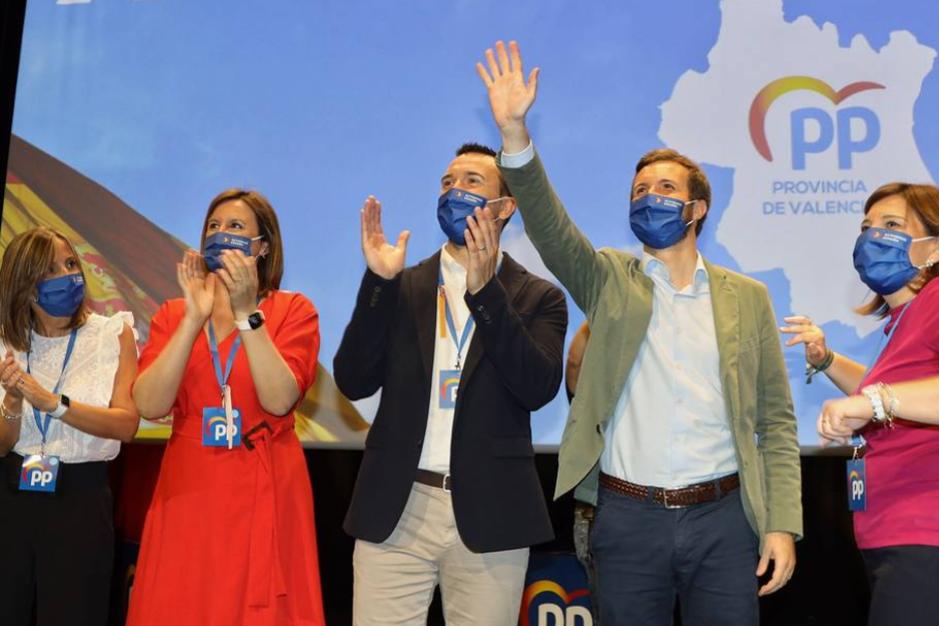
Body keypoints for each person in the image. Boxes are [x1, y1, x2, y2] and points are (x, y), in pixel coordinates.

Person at [478, 40, 801, 626]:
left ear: (698, 209)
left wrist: (780, 522)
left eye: (666, 190)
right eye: (639, 192)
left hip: (725, 519)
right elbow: (551, 229)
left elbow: (776, 422)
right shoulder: (609, 280)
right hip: (626, 517)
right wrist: (515, 136)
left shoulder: (747, 298)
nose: (649, 198)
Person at [334, 142, 568, 625]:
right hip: (397, 508)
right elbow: (353, 380)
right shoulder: (403, 285)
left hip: (492, 511)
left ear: (506, 207)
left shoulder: (539, 297)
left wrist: (486, 293)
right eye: (447, 182)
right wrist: (377, 283)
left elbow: (537, 387)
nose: (454, 191)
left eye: (471, 182)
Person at [794, 182, 939, 626]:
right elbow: (903, 395)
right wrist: (826, 361)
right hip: (905, 542)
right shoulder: (905, 321)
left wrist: (876, 400)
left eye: (891, 225)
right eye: (866, 227)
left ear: (935, 247)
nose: (870, 236)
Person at [127, 189, 324, 626]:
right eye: (213, 227)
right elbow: (147, 403)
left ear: (263, 246)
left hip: (265, 482)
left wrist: (247, 314)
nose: (221, 235)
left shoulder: (293, 310)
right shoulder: (174, 313)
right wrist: (192, 320)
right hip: (189, 486)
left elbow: (278, 400)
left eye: (235, 227)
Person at [0, 227, 139, 625]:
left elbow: (127, 424)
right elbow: (1, 445)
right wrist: (12, 398)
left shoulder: (112, 334)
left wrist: (54, 405)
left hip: (81, 499)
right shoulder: (7, 340)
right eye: (51, 269)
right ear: (26, 287)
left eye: (71, 263)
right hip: (11, 497)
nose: (69, 275)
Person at [563, 323, 597, 619]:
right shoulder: (593, 400)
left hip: (597, 515)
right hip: (598, 515)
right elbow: (574, 363)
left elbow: (575, 363)